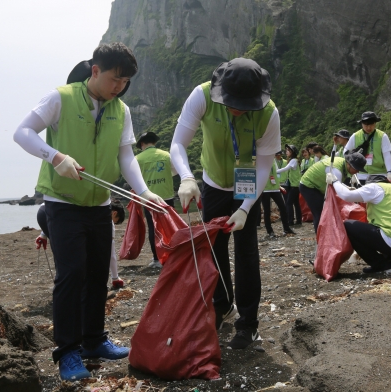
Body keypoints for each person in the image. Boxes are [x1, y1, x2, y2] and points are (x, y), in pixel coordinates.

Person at [14, 42, 165, 381]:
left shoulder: (120, 110)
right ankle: (67, 351)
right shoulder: (61, 98)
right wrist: (56, 157)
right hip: (62, 203)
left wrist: (143, 192)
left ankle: (94, 341)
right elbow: (22, 133)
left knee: (98, 274)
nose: (119, 86)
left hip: (99, 204)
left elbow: (125, 156)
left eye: (125, 81)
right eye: (115, 78)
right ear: (95, 71)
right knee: (71, 276)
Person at [170, 58, 281, 350]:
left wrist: (245, 208)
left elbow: (264, 167)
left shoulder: (269, 114)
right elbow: (178, 143)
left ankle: (248, 325)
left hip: (247, 182)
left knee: (246, 252)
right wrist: (187, 178)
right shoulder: (202, 95)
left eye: (246, 104)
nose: (238, 109)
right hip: (214, 182)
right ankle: (222, 305)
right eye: (233, 102)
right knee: (214, 248)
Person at [327, 173, 391, 274]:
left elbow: (347, 196)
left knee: (348, 226)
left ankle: (381, 265)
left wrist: (335, 182)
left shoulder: (375, 187)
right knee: (386, 228)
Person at [135, 131, 178, 268]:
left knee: (154, 228)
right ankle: (173, 256)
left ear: (142, 144)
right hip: (167, 196)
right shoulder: (166, 155)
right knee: (170, 226)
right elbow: (175, 171)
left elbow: (134, 178)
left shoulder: (137, 159)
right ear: (154, 142)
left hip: (149, 198)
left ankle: (156, 259)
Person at [299, 152, 366, 233]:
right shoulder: (336, 170)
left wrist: (348, 188)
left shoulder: (343, 165)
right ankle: (321, 240)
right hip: (309, 186)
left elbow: (337, 183)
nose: (357, 172)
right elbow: (339, 193)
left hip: (320, 186)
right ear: (349, 164)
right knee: (320, 213)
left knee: (325, 212)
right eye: (356, 169)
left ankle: (328, 234)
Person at [344, 112, 391, 185]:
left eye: (371, 124)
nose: (368, 128)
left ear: (375, 123)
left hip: (379, 174)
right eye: (366, 125)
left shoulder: (382, 136)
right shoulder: (355, 136)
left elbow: (387, 154)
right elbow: (346, 152)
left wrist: (389, 172)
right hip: (361, 175)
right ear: (362, 124)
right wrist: (353, 172)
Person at [262, 159, 295, 238]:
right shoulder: (261, 159)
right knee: (267, 210)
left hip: (275, 188)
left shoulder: (273, 160)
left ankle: (286, 228)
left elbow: (276, 172)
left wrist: (279, 186)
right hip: (264, 188)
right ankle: (270, 231)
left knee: (283, 208)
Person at [276, 144, 302, 227]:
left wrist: (276, 171)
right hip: (295, 184)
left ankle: (290, 221)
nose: (286, 152)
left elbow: (285, 169)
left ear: (292, 152)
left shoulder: (293, 160)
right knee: (296, 203)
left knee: (289, 203)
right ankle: (298, 220)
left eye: (288, 150)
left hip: (294, 185)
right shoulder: (293, 160)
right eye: (286, 150)